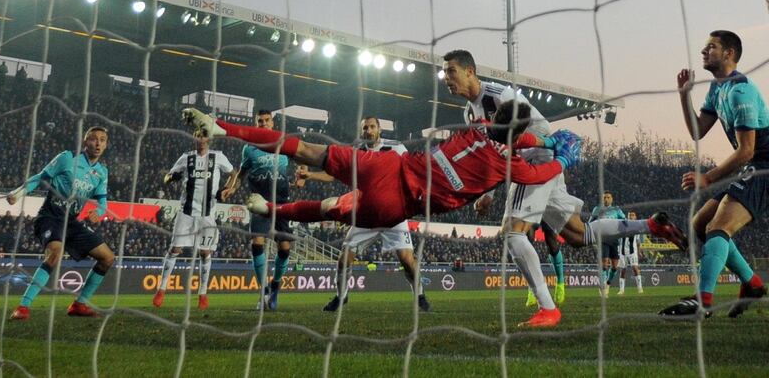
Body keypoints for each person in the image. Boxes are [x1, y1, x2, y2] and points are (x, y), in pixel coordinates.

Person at [183, 102, 687, 327]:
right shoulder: (505, 163)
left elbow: (500, 126)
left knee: (307, 152)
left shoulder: (471, 132)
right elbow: (533, 169)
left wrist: (541, 144)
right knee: (332, 208)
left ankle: (223, 128)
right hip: (399, 201)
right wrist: (561, 156)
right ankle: (270, 206)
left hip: (386, 166)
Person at [440, 49, 688, 327]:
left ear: (469, 71)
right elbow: (493, 151)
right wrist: (488, 193)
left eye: (451, 71)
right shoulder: (469, 112)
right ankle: (650, 226)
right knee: (578, 235)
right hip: (531, 159)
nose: (446, 78)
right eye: (445, 72)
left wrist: (547, 150)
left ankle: (547, 309)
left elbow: (538, 127)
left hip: (538, 156)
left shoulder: (500, 95)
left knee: (512, 232)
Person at [660, 30, 768, 317]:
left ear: (729, 53)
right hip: (750, 166)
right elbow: (698, 131)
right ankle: (753, 284)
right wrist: (685, 96)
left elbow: (747, 150)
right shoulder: (718, 89)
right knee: (699, 224)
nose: (704, 51)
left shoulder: (740, 91)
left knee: (719, 227)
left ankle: (703, 300)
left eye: (712, 47)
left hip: (763, 167)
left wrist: (708, 177)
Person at [296, 116, 431, 312]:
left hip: (391, 215)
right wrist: (310, 175)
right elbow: (334, 174)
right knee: (344, 260)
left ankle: (419, 296)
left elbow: (412, 172)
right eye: (365, 128)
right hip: (365, 215)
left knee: (407, 261)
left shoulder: (396, 148)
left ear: (379, 130)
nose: (368, 130)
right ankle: (340, 297)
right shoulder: (356, 152)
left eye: (372, 127)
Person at [7, 127, 114, 320]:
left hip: (72, 221)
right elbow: (41, 177)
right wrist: (18, 193)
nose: (98, 143)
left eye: (102, 140)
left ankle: (79, 305)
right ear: (85, 142)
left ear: (106, 145)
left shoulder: (102, 172)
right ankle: (23, 307)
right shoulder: (67, 158)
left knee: (107, 258)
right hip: (50, 215)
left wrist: (98, 212)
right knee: (56, 253)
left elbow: (103, 202)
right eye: (93, 139)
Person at [152, 129, 237, 311]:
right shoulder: (186, 158)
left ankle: (202, 294)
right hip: (186, 212)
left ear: (209, 139)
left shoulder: (218, 157)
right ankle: (161, 290)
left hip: (207, 214)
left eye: (204, 136)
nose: (201, 139)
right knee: (175, 249)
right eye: (198, 136)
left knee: (205, 252)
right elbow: (167, 176)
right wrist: (170, 178)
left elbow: (233, 173)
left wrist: (228, 189)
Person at [235, 110, 295, 311]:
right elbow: (241, 174)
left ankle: (275, 288)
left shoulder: (284, 143)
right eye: (260, 121)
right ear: (256, 124)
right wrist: (231, 187)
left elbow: (303, 157)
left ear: (272, 122)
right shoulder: (249, 148)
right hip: (260, 203)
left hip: (282, 203)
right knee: (257, 243)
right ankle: (262, 293)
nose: (263, 123)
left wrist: (304, 173)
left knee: (285, 249)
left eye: (266, 120)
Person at [590, 191, 626, 297]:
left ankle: (608, 283)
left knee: (615, 266)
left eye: (608, 197)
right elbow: (590, 222)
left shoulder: (616, 210)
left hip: (614, 239)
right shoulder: (597, 209)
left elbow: (624, 221)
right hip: (603, 239)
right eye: (604, 197)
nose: (606, 199)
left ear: (612, 199)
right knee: (604, 262)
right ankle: (603, 287)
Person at [617, 212, 643, 295]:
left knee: (635, 268)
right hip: (622, 251)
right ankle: (621, 290)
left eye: (632, 215)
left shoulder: (637, 228)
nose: (630, 216)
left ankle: (640, 288)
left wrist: (639, 252)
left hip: (633, 251)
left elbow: (638, 241)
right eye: (629, 215)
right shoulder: (623, 226)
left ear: (635, 217)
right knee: (622, 270)